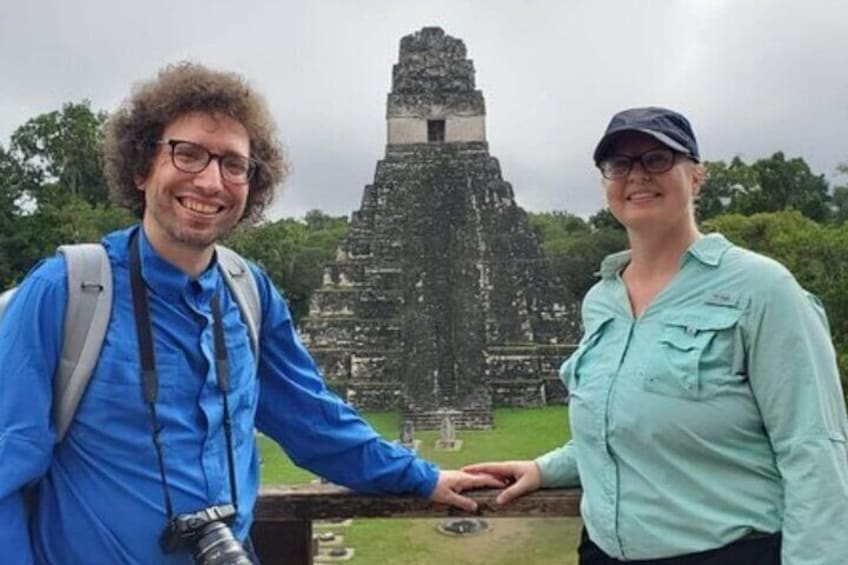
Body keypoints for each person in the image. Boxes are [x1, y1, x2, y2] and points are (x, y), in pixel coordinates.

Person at [0, 62, 501, 564]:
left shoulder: (248, 292)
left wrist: (422, 475)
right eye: (188, 153)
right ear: (141, 166)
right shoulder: (64, 292)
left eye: (233, 165)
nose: (211, 181)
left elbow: (313, 420)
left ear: (252, 184)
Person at [465, 107, 848, 564]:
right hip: (604, 552)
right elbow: (623, 425)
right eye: (619, 164)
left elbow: (814, 451)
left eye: (657, 159)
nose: (637, 176)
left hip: (727, 553)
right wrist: (546, 469)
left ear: (698, 177)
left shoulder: (762, 289)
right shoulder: (601, 299)